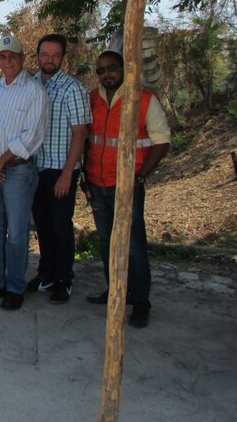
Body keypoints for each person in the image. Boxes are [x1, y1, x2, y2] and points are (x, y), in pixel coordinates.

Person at [85, 50, 170, 328]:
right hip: (97, 184)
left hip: (127, 185)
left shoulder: (143, 99)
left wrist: (140, 175)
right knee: (108, 243)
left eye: (111, 68)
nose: (106, 74)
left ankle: (141, 301)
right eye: (100, 70)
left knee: (133, 245)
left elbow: (162, 141)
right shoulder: (93, 98)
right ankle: (116, 293)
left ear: (123, 69)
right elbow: (88, 139)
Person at [0, 36, 48, 311]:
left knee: (16, 233)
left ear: (22, 58)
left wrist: (0, 162)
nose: (7, 62)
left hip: (17, 172)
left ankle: (15, 286)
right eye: (2, 57)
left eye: (12, 57)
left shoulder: (34, 91)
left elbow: (32, 135)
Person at [28, 34, 91, 304]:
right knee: (42, 224)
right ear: (38, 55)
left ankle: (64, 279)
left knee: (60, 226)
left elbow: (80, 134)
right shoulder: (30, 85)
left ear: (62, 58)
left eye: (55, 55)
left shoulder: (72, 88)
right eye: (45, 54)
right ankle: (47, 273)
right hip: (35, 167)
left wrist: (68, 173)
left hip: (60, 169)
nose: (49, 59)